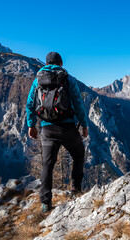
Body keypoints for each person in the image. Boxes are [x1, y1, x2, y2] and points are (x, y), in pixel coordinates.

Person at [26, 52, 88, 213]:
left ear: (46, 63)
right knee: (79, 155)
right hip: (67, 128)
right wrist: (84, 125)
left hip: (47, 129)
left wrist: (31, 125)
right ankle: (75, 190)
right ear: (60, 63)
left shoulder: (37, 81)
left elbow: (30, 104)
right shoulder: (68, 79)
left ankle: (46, 203)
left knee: (47, 164)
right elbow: (78, 104)